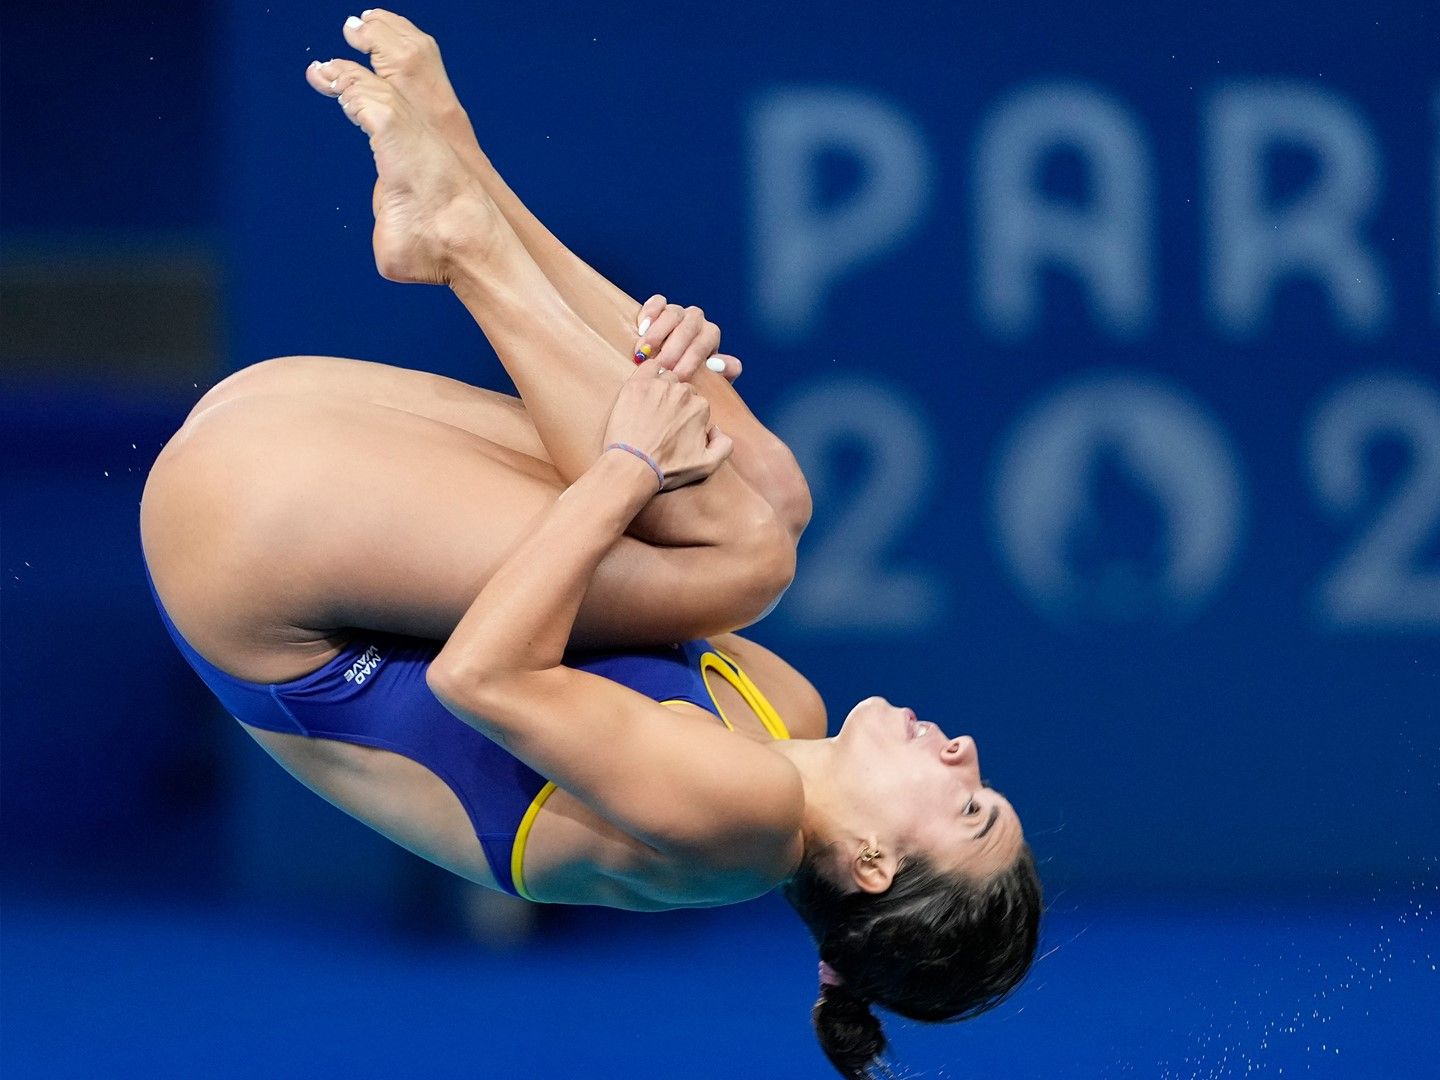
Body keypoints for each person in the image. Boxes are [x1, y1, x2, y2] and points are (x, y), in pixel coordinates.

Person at [138, 12, 1041, 1077]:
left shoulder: (744, 827)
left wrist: (629, 460)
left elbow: (481, 675)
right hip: (282, 461)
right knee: (766, 500)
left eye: (969, 808)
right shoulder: (787, 712)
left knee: (744, 552)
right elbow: (649, 539)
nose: (964, 752)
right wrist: (670, 385)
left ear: (876, 863)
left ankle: (464, 239)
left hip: (256, 560)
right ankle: (460, 173)